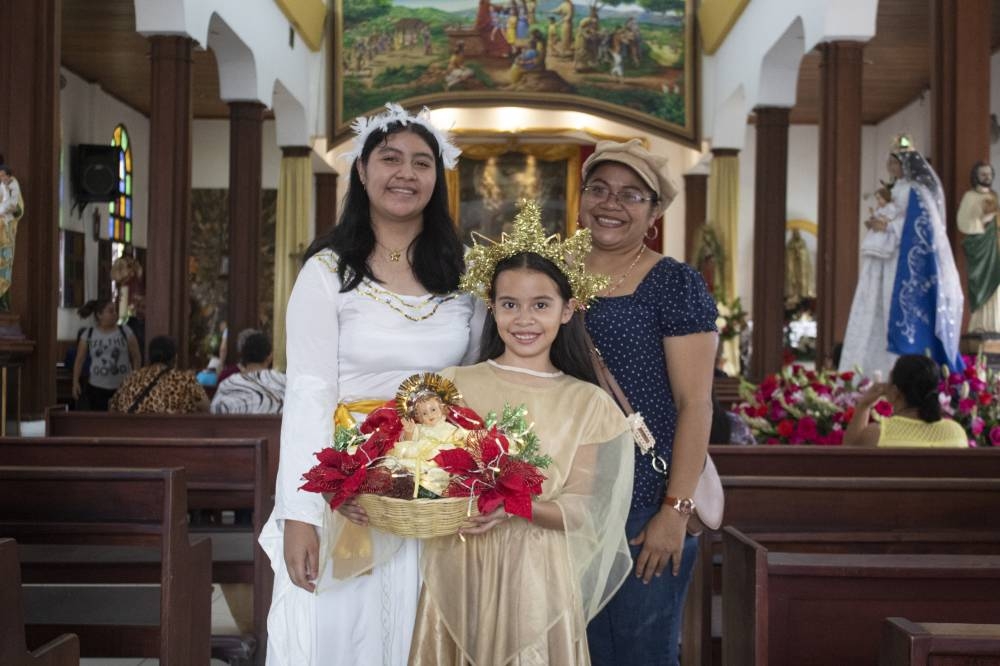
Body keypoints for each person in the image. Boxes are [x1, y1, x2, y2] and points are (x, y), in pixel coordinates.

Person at [257, 102, 483, 666]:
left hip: (435, 483)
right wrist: (302, 513)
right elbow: (308, 392)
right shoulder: (328, 272)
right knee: (348, 629)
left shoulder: (464, 277)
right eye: (390, 159)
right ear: (361, 170)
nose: (405, 173)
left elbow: (478, 386)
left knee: (421, 632)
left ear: (438, 177)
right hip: (349, 479)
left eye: (421, 162)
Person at [409, 202, 634, 664]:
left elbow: (581, 510)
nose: (524, 319)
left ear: (569, 310)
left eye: (541, 305)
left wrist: (513, 507)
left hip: (539, 574)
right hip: (462, 561)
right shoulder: (452, 385)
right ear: (491, 307)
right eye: (510, 304)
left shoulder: (588, 403)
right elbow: (417, 474)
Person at [578, 139, 718, 666]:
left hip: (645, 502)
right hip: (566, 502)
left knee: (641, 654)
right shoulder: (550, 274)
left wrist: (674, 512)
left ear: (655, 211)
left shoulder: (674, 284)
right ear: (581, 197)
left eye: (632, 195)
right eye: (599, 188)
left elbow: (696, 405)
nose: (611, 203)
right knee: (573, 651)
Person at [841, 135, 964, 379]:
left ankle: (897, 368)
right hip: (887, 258)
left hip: (901, 260)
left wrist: (889, 226)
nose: (891, 167)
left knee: (893, 305)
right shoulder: (895, 188)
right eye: (890, 162)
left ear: (906, 164)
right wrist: (880, 219)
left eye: (895, 162)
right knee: (878, 307)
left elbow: (923, 222)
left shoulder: (916, 191)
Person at [843, 354, 967, 448]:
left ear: (895, 392)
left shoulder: (878, 434)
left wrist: (864, 405)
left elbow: (848, 458)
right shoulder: (956, 432)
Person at [72, 298, 142, 411]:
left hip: (122, 386)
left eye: (115, 310)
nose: (115, 314)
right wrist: (75, 382)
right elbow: (79, 359)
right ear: (99, 315)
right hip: (96, 388)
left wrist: (135, 379)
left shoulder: (125, 331)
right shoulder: (88, 334)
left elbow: (136, 356)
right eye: (111, 311)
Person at [110, 335, 210, 413]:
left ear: (150, 357)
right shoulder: (185, 379)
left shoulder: (131, 378)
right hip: (170, 437)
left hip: (129, 437)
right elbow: (207, 407)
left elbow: (113, 407)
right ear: (175, 358)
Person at [958, 161, 1000, 333]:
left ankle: (995, 325)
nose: (987, 177)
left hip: (995, 247)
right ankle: (979, 326)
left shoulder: (994, 196)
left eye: (989, 174)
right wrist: (983, 221)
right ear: (976, 176)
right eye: (983, 174)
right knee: (981, 285)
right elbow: (962, 222)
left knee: (997, 288)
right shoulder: (969, 196)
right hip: (980, 250)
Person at [210, 329, 286, 414]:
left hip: (233, 427)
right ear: (269, 357)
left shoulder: (226, 384)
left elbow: (214, 410)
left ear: (243, 357)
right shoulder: (283, 382)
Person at [0, 165, 24, 310]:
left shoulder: (11, 183)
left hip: (4, 232)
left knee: (3, 266)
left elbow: (18, 209)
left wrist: (12, 210)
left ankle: (2, 300)